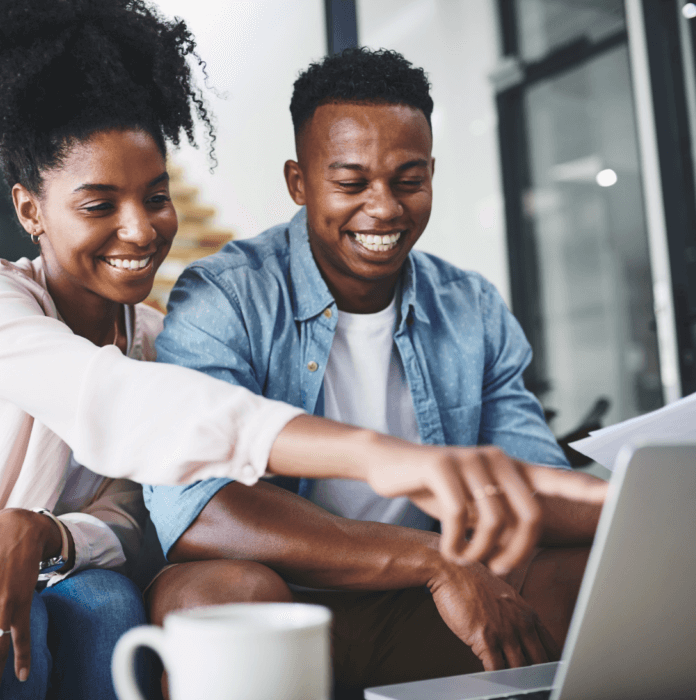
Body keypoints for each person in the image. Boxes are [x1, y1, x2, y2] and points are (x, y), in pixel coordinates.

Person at [0, 6, 603, 700]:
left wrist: (39, 530)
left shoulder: (149, 337)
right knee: (23, 628)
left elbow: (132, 516)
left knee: (112, 607)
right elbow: (125, 410)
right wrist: (381, 458)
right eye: (98, 204)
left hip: (56, 572)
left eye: (155, 198)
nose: (141, 228)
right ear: (30, 209)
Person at [144, 47, 607, 698]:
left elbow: (530, 486)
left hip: (419, 603)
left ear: (431, 175)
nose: (384, 208)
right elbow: (200, 511)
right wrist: (432, 562)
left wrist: (634, 507)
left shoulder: (470, 308)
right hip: (284, 594)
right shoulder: (224, 298)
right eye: (352, 182)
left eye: (408, 180)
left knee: (592, 576)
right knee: (225, 593)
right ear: (299, 182)